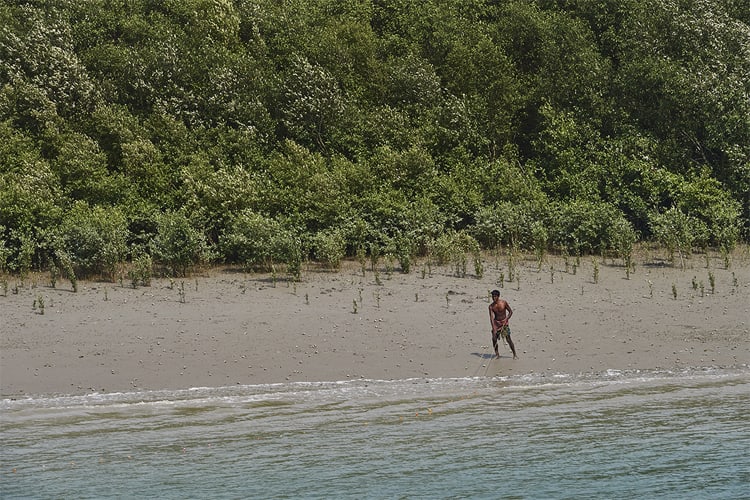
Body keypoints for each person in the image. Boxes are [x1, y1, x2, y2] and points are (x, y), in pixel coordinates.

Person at [489, 290, 517, 359]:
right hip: (496, 323)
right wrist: (494, 328)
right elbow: (491, 318)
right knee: (494, 339)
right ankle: (497, 354)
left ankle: (514, 354)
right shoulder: (491, 306)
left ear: (498, 296)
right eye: (492, 296)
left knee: (508, 339)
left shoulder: (504, 303)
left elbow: (510, 312)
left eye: (495, 296)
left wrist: (506, 319)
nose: (493, 298)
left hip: (504, 323)